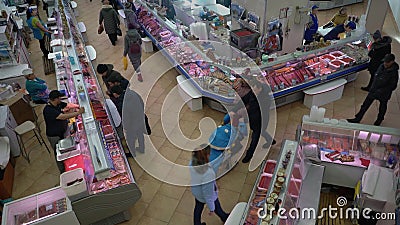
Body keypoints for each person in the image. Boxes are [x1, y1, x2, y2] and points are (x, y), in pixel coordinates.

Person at [348, 54, 399, 126]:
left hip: (383, 94)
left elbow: (393, 86)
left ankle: (379, 119)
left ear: (392, 62)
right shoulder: (381, 66)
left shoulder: (394, 72)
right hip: (374, 90)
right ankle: (358, 118)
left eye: (387, 62)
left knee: (382, 107)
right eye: (385, 62)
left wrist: (381, 90)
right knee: (365, 105)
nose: (385, 64)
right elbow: (376, 76)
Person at [43, 90, 84, 173]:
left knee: (65, 151)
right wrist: (78, 113)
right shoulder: (48, 110)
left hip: (62, 131)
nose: (60, 99)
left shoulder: (57, 104)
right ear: (55, 99)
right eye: (59, 98)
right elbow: (62, 117)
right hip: (54, 135)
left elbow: (67, 105)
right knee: (58, 153)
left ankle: (69, 165)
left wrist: (78, 106)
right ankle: (63, 171)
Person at [190, 145, 230, 225]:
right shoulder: (208, 174)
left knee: (198, 208)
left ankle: (196, 223)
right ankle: (224, 217)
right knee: (216, 207)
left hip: (196, 191)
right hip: (204, 194)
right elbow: (208, 195)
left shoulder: (192, 163)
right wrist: (211, 209)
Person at [122, 88, 147, 156]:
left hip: (132, 125)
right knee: (140, 135)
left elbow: (126, 118)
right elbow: (142, 102)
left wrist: (126, 127)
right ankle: (142, 148)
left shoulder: (126, 104)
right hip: (140, 120)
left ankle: (132, 153)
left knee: (130, 140)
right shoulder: (134, 94)